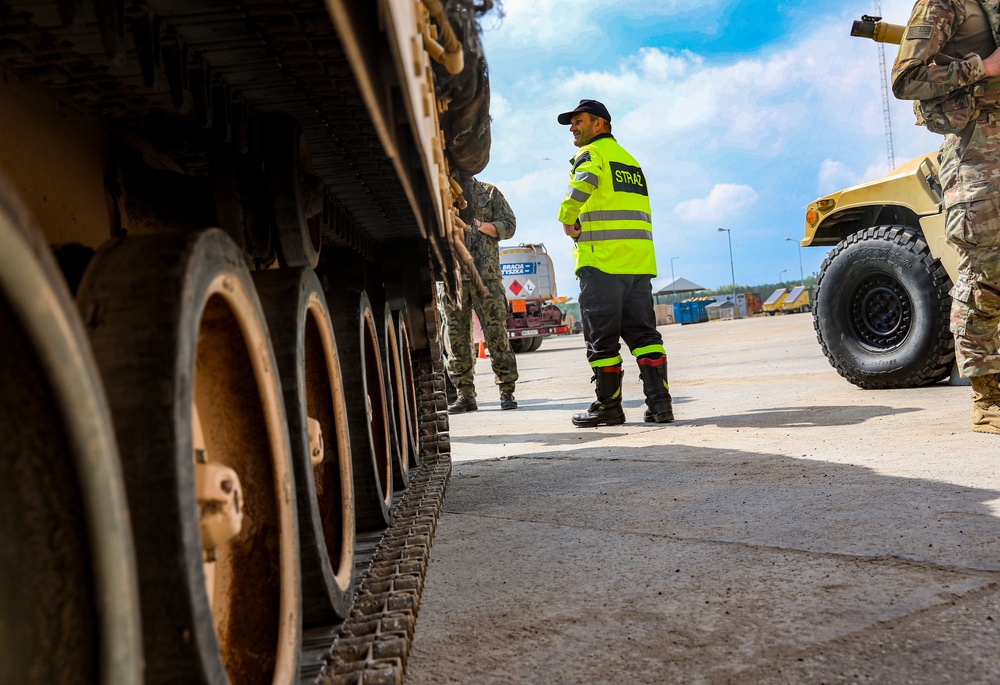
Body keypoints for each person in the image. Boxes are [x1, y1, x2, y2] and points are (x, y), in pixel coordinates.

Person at [892, 0, 1000, 434]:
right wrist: (982, 68)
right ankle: (988, 399)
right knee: (987, 278)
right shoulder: (946, 3)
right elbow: (907, 78)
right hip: (980, 160)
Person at [556, 99, 674, 427]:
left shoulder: (593, 155)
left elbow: (584, 182)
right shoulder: (630, 162)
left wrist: (567, 218)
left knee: (602, 339)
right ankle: (660, 405)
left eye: (578, 121)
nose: (572, 128)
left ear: (600, 124)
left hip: (603, 263)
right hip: (637, 265)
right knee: (644, 335)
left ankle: (608, 405)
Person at [445, 178, 519, 413]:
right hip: (453, 278)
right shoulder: (440, 193)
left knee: (496, 333)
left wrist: (482, 226)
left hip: (486, 277)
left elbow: (510, 225)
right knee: (457, 339)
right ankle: (465, 395)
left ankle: (506, 390)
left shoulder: (488, 192)